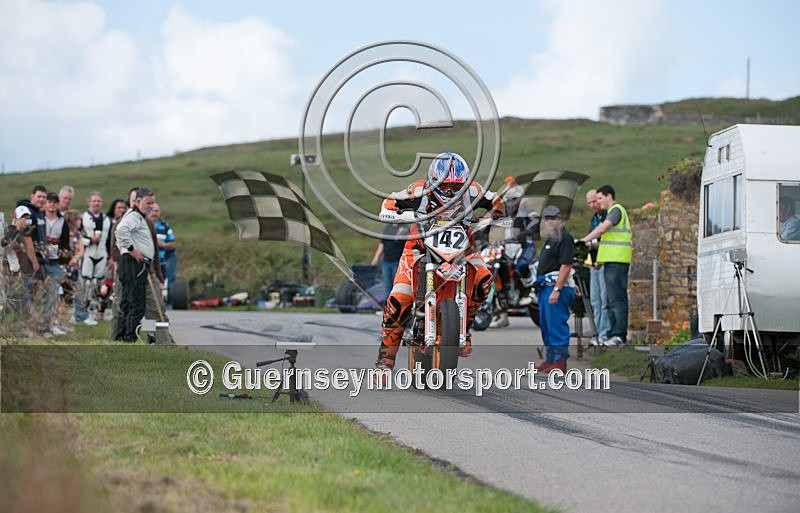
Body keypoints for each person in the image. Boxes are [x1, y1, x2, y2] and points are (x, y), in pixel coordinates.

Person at [374, 152, 501, 373]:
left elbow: (499, 200)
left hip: (463, 245)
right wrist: (393, 213)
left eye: (456, 186)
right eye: (446, 186)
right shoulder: (418, 191)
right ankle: (386, 360)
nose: (451, 191)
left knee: (484, 278)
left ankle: (466, 326)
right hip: (419, 246)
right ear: (434, 181)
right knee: (400, 297)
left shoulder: (474, 191)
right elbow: (389, 202)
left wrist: (497, 215)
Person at [579, 185, 631, 347]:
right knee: (610, 299)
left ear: (609, 196)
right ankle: (612, 334)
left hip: (618, 260)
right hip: (610, 260)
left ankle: (618, 334)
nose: (598, 202)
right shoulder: (611, 212)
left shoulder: (616, 210)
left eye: (600, 198)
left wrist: (584, 240)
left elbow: (603, 228)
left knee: (617, 300)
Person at [534, 206, 576, 373]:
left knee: (556, 324)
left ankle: (560, 360)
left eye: (554, 218)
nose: (550, 222)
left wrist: (558, 289)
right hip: (546, 287)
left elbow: (566, 265)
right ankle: (550, 358)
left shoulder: (565, 238)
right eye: (547, 218)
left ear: (561, 220)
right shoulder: (552, 238)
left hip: (555, 288)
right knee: (546, 325)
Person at [114, 187, 156, 342]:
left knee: (127, 302)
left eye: (153, 203)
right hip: (133, 264)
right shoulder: (134, 216)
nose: (151, 206)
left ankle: (122, 336)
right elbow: (120, 230)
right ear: (137, 202)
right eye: (148, 203)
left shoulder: (137, 217)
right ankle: (129, 337)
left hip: (135, 264)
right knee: (135, 303)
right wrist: (131, 250)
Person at [42, 192, 71, 336]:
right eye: (49, 201)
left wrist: (64, 262)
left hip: (55, 263)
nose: (52, 204)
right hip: (41, 262)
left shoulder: (62, 222)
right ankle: (37, 325)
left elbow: (65, 243)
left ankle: (49, 325)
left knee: (53, 297)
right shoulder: (40, 219)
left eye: (54, 202)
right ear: (45, 203)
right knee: (39, 295)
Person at [585, 189, 610, 346]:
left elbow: (604, 239)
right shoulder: (594, 218)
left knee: (604, 300)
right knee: (595, 301)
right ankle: (596, 332)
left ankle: (604, 332)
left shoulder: (608, 216)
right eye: (589, 203)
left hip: (605, 262)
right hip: (593, 264)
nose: (593, 205)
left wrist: (589, 242)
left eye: (595, 201)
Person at [370, 221, 408, 300]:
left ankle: (396, 306)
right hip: (386, 261)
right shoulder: (388, 228)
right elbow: (382, 244)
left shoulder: (405, 228)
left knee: (397, 286)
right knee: (387, 286)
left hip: (397, 261)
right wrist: (376, 257)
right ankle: (386, 307)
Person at [149, 203, 178, 291]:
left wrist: (163, 245)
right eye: (153, 211)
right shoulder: (143, 225)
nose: (155, 213)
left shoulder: (165, 226)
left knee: (163, 284)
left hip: (162, 261)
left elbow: (172, 244)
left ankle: (166, 302)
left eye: (157, 211)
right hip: (148, 262)